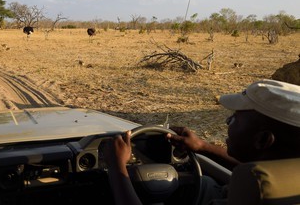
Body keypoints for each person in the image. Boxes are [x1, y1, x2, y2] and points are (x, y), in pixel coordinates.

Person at [105, 79, 300, 205]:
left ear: (263, 139)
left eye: (235, 118)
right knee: (204, 182)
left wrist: (117, 167)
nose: (227, 121)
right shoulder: (278, 184)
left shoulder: (252, 186)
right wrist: (203, 147)